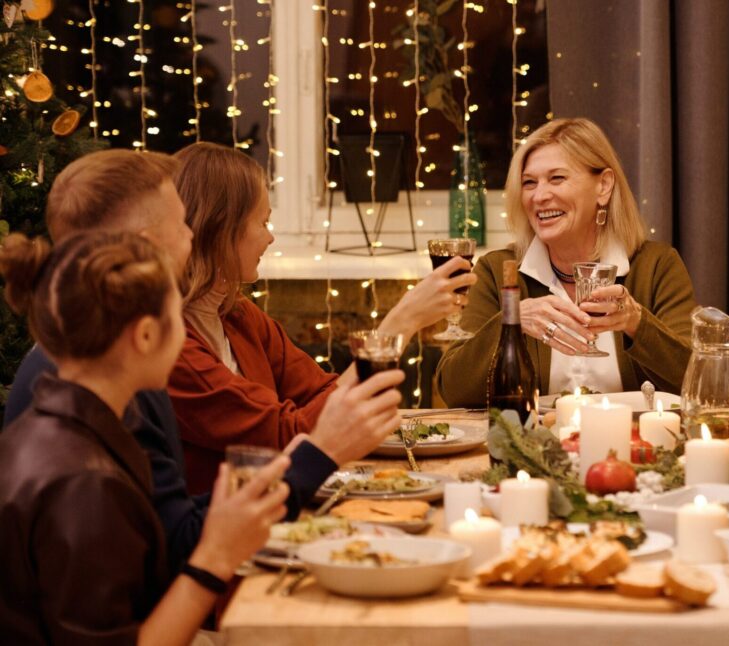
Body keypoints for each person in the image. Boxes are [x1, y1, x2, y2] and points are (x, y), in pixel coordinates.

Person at [3, 149, 405, 575]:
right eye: (182, 223)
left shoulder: (118, 352)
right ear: (149, 243)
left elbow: (175, 524)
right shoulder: (130, 360)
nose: (192, 234)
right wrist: (321, 448)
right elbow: (175, 556)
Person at [0, 231, 289, 645]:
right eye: (179, 317)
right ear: (147, 335)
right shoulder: (85, 485)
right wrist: (215, 556)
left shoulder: (68, 423)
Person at [168, 142, 476, 491]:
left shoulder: (236, 314)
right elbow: (288, 435)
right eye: (263, 221)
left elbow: (321, 391)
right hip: (227, 527)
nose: (270, 237)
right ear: (221, 228)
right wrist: (399, 324)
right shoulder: (173, 348)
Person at [435, 118, 697, 404]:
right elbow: (455, 390)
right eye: (529, 183)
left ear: (604, 186)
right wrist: (512, 322)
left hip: (633, 445)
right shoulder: (500, 272)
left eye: (557, 178)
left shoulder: (656, 266)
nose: (540, 196)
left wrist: (636, 322)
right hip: (533, 446)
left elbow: (696, 380)